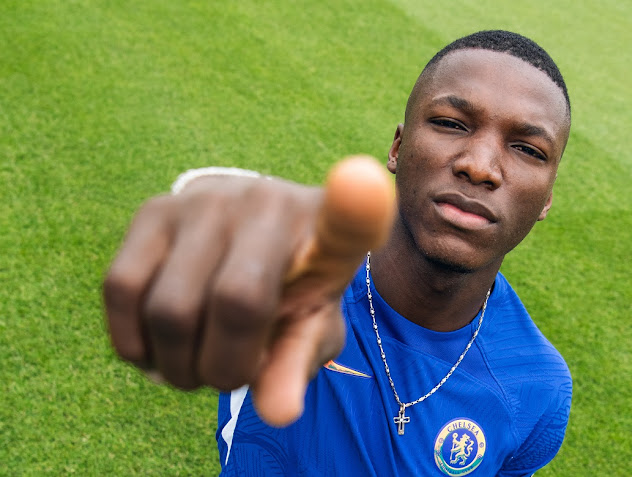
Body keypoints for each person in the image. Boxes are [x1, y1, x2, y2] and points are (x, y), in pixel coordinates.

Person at [104, 30, 572, 476]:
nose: (480, 166)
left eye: (527, 150)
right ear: (398, 146)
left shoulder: (538, 385)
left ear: (547, 197)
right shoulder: (297, 280)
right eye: (451, 124)